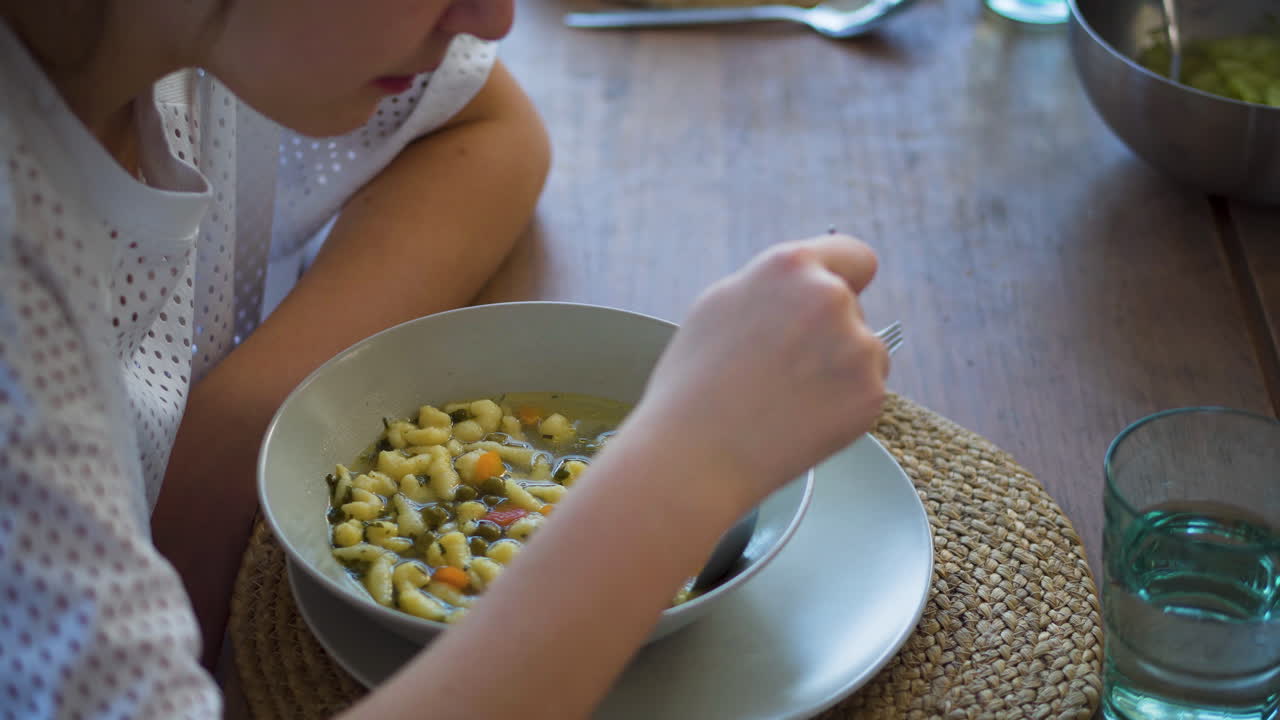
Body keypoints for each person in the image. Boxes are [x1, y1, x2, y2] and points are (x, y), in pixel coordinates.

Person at [0, 0, 889, 718]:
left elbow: (490, 127)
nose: (496, 20)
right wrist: (688, 465)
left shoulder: (174, 48)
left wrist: (233, 435)